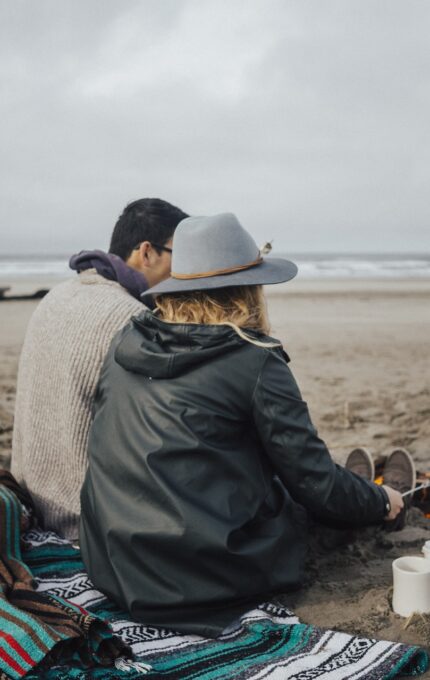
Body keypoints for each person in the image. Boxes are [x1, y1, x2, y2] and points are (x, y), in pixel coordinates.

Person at [80, 212, 406, 637]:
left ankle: (361, 489)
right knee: (302, 493)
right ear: (249, 290)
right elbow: (315, 484)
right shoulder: (253, 360)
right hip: (205, 578)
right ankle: (384, 498)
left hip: (113, 562)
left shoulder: (126, 341)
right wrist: (382, 503)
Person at [12, 197, 188, 541]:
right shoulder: (133, 319)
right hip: (83, 522)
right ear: (147, 252)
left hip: (33, 500)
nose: (185, 274)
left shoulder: (58, 295)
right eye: (180, 258)